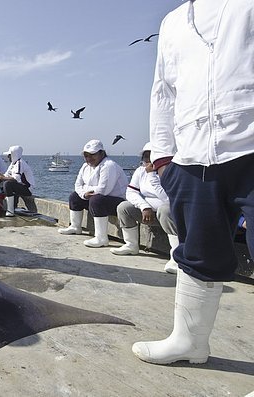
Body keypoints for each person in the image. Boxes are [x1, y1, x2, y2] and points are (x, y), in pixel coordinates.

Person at [132, 0, 254, 365]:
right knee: (198, 251)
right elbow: (163, 92)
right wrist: (165, 158)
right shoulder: (172, 22)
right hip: (192, 155)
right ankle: (189, 341)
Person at [110, 142, 179, 273]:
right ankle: (131, 245)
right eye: (145, 156)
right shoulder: (140, 171)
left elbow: (168, 198)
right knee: (123, 207)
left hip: (168, 216)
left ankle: (176, 258)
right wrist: (144, 207)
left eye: (151, 156)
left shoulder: (170, 171)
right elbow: (130, 192)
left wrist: (153, 175)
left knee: (165, 209)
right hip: (148, 212)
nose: (147, 160)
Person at [58, 139, 128, 248]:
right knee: (74, 197)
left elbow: (104, 190)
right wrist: (84, 193)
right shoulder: (85, 166)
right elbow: (77, 185)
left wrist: (85, 189)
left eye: (92, 155)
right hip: (95, 198)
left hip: (116, 201)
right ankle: (76, 226)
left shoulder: (109, 165)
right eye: (86, 155)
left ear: (101, 153)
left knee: (97, 200)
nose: (89, 158)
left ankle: (101, 238)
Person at [0, 145, 36, 216]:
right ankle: (10, 206)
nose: (8, 157)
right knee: (0, 183)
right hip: (19, 186)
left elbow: (16, 178)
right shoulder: (13, 164)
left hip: (27, 189)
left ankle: (10, 211)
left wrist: (2, 178)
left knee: (7, 184)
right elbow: (6, 175)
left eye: (9, 155)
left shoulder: (20, 163)